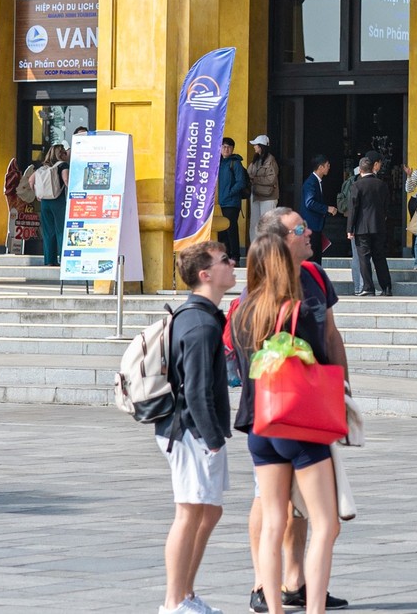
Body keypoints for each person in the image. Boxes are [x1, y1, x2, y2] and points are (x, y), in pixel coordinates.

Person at [247, 207, 353, 614]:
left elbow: (331, 333)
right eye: (300, 229)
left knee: (280, 516)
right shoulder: (281, 302)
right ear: (280, 240)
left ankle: (282, 596)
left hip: (268, 419)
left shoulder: (258, 298)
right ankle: (294, 598)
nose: (309, 233)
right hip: (299, 417)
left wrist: (344, 385)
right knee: (326, 522)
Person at [157, 240, 237, 614]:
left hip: (192, 429)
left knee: (209, 510)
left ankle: (186, 592)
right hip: (190, 430)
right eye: (225, 261)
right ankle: (174, 601)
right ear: (206, 274)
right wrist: (213, 440)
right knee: (189, 512)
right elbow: (198, 391)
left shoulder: (201, 316)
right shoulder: (201, 323)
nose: (232, 263)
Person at [348, 152, 392, 297]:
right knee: (380, 257)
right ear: (373, 168)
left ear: (360, 170)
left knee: (364, 258)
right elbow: (386, 206)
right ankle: (386, 287)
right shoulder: (382, 185)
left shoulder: (356, 185)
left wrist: (350, 228)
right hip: (379, 226)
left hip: (362, 227)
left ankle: (368, 287)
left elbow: (353, 208)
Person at [33, 143, 70, 268]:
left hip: (45, 201)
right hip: (58, 200)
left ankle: (49, 260)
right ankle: (63, 258)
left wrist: (37, 193)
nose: (67, 154)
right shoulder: (63, 165)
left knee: (48, 232)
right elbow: (66, 180)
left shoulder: (43, 167)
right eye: (65, 152)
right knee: (61, 230)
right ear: (61, 154)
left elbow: (30, 180)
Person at [219, 137, 251, 264]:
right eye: (224, 146)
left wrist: (229, 193)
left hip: (231, 203)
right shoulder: (218, 163)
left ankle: (235, 256)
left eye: (229, 147)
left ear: (232, 149)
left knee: (231, 229)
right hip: (220, 202)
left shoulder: (235, 163)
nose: (226, 149)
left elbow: (241, 182)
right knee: (222, 231)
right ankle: (224, 256)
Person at [300, 156, 335, 263]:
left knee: (316, 258)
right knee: (312, 258)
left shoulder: (317, 181)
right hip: (311, 226)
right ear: (320, 167)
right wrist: (327, 208)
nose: (329, 167)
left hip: (315, 226)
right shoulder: (311, 182)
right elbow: (309, 203)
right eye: (327, 165)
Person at [249, 136, 281, 233]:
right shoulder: (256, 159)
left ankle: (267, 248)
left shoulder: (271, 160)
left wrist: (255, 179)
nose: (254, 146)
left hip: (268, 197)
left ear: (261, 146)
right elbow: (249, 173)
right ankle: (256, 247)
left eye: (256, 145)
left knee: (267, 226)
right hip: (256, 195)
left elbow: (271, 179)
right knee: (254, 225)